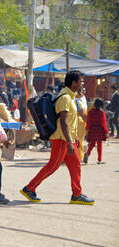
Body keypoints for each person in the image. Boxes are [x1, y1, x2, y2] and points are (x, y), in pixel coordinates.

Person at [20, 70, 95, 205]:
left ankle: (77, 194)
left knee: (75, 165)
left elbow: (70, 122)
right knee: (53, 166)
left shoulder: (70, 96)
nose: (83, 84)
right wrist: (69, 142)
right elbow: (63, 122)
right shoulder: (65, 97)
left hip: (67, 138)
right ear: (73, 83)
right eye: (81, 81)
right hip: (61, 139)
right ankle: (29, 188)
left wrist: (73, 138)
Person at [83, 98, 109, 165]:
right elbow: (103, 123)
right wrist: (106, 132)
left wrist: (87, 129)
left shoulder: (90, 111)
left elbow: (88, 121)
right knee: (99, 145)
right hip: (99, 130)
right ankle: (99, 160)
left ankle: (87, 154)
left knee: (92, 143)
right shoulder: (101, 112)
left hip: (92, 129)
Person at [75, 88, 88, 161]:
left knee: (79, 140)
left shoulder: (81, 99)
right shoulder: (77, 101)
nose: (82, 93)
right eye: (81, 92)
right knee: (79, 141)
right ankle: (79, 157)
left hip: (79, 122)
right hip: (79, 122)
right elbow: (83, 114)